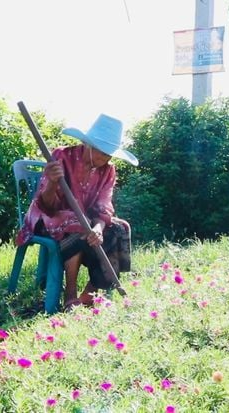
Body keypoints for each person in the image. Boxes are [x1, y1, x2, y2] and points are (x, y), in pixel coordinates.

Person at [16, 114, 138, 310]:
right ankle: (70, 294)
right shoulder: (61, 156)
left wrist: (98, 228)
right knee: (77, 222)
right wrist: (53, 182)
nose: (104, 158)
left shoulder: (108, 170)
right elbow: (46, 203)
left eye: (108, 155)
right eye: (101, 152)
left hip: (86, 220)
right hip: (47, 218)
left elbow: (104, 205)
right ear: (88, 145)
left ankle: (90, 294)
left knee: (120, 228)